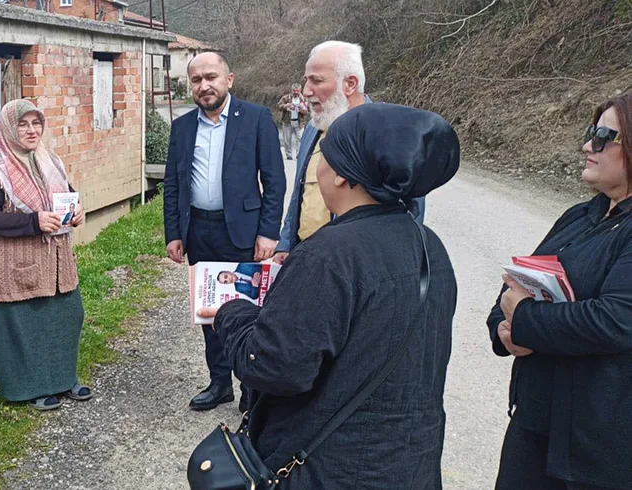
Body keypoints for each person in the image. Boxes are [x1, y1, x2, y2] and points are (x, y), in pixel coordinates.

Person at [199, 103, 459, 488]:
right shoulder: (428, 244)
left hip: (331, 468)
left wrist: (231, 312)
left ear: (340, 175)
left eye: (324, 156)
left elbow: (274, 365)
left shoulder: (329, 254)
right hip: (409, 463)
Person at [487, 93, 632, 490]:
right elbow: (517, 284)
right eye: (591, 133)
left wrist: (527, 321)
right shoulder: (580, 216)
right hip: (536, 424)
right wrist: (504, 327)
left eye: (604, 137)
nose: (588, 146)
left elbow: (616, 320)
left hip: (597, 453)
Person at [163, 51, 286, 412]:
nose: (205, 86)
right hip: (199, 230)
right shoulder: (183, 127)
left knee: (249, 313)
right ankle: (220, 384)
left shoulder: (256, 118)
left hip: (244, 233)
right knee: (210, 312)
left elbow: (274, 181)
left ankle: (252, 388)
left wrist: (268, 233)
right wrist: (174, 232)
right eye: (197, 80)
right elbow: (173, 184)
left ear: (228, 79)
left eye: (211, 77)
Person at [0, 99, 91, 411]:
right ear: (9, 129)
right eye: (22, 124)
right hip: (16, 266)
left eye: (36, 123)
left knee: (68, 315)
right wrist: (32, 221)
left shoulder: (51, 161)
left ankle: (64, 379)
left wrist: (77, 210)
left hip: (54, 262)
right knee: (27, 325)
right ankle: (29, 386)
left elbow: (68, 195)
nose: (31, 130)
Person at [273, 40, 425, 265]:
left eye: (317, 80)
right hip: (304, 259)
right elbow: (300, 191)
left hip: (356, 267)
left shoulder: (389, 137)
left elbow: (411, 217)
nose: (306, 91)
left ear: (350, 84)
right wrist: (286, 244)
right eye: (306, 80)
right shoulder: (313, 129)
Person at [277, 83, 309, 160]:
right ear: (291, 91)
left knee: (300, 138)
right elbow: (279, 106)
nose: (296, 92)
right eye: (294, 91)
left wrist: (301, 110)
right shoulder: (286, 98)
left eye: (297, 91)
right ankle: (289, 155)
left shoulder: (304, 99)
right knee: (287, 139)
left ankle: (299, 155)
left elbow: (307, 111)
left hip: (299, 122)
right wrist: (286, 106)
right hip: (287, 121)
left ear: (300, 90)